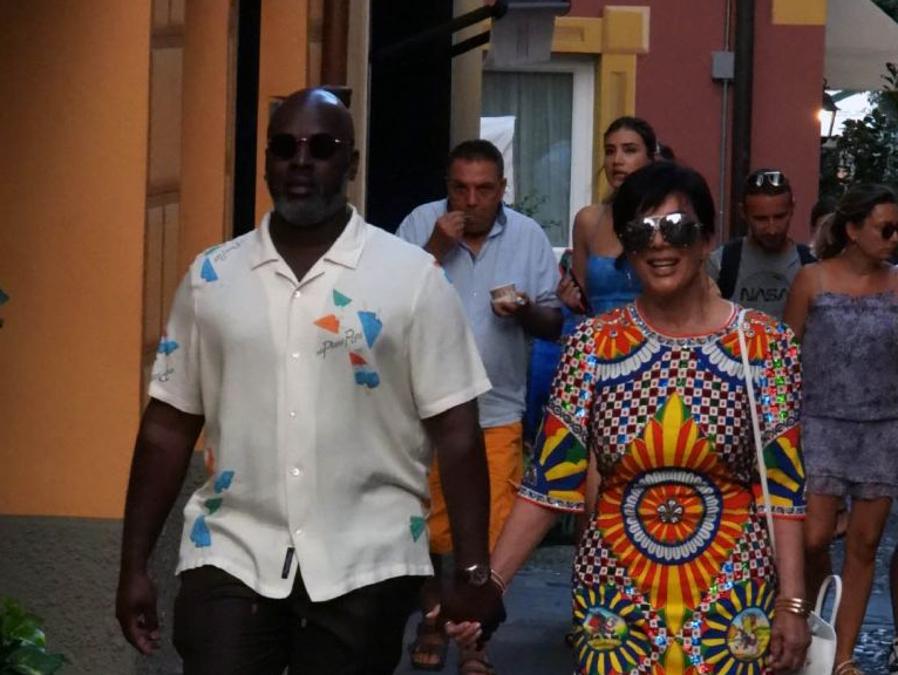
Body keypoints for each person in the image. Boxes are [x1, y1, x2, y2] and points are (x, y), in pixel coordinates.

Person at [115, 88, 505, 674]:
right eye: (284, 147)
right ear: (268, 160)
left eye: (321, 148)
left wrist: (473, 571)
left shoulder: (411, 279)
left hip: (367, 559)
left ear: (349, 165)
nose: (301, 161)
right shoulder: (213, 278)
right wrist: (133, 565)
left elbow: (456, 431)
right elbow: (169, 426)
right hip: (231, 549)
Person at [450, 161, 811, 673]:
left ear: (706, 239)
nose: (660, 244)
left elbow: (785, 487)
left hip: (734, 599)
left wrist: (792, 604)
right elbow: (551, 479)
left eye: (677, 228)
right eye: (641, 232)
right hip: (616, 602)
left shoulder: (764, 345)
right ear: (626, 247)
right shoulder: (593, 345)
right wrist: (493, 586)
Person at [396, 139, 562, 674]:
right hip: (420, 412)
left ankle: (474, 643)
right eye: (460, 188)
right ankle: (432, 614)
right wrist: (433, 251)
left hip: (495, 409)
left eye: (484, 189)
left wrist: (525, 310)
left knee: (486, 538)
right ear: (447, 188)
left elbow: (555, 324)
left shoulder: (530, 237)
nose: (471, 200)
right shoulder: (420, 223)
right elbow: (386, 306)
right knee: (419, 527)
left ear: (503, 189)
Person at [783, 183, 898, 675]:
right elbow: (785, 358)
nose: (894, 238)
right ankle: (808, 624)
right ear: (853, 230)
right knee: (812, 539)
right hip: (821, 423)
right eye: (886, 228)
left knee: (866, 545)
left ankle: (843, 656)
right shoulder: (812, 280)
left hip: (882, 427)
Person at [525, 117, 656, 443]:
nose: (617, 160)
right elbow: (582, 295)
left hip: (653, 352)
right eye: (610, 151)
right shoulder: (589, 220)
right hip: (600, 356)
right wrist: (571, 299)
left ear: (650, 158)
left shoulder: (664, 219)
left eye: (629, 150)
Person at [708, 168, 815, 319]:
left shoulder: (810, 264)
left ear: (792, 208)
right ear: (743, 213)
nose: (772, 229)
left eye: (779, 217)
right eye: (761, 219)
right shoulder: (721, 263)